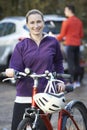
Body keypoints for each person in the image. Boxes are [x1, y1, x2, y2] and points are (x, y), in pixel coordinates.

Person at [5, 9, 65, 130]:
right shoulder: (21, 45)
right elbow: (15, 66)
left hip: (46, 94)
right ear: (27, 25)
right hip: (24, 92)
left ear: (44, 23)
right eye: (32, 23)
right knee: (17, 127)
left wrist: (60, 80)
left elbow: (58, 62)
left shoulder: (52, 42)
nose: (36, 26)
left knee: (41, 128)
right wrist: (12, 71)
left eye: (39, 22)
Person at [56, 4, 84, 86]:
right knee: (77, 63)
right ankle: (77, 81)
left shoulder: (66, 22)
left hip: (69, 44)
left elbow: (61, 35)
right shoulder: (79, 21)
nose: (64, 12)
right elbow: (81, 35)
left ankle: (71, 82)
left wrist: (54, 37)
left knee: (71, 64)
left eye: (65, 10)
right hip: (77, 44)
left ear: (69, 11)